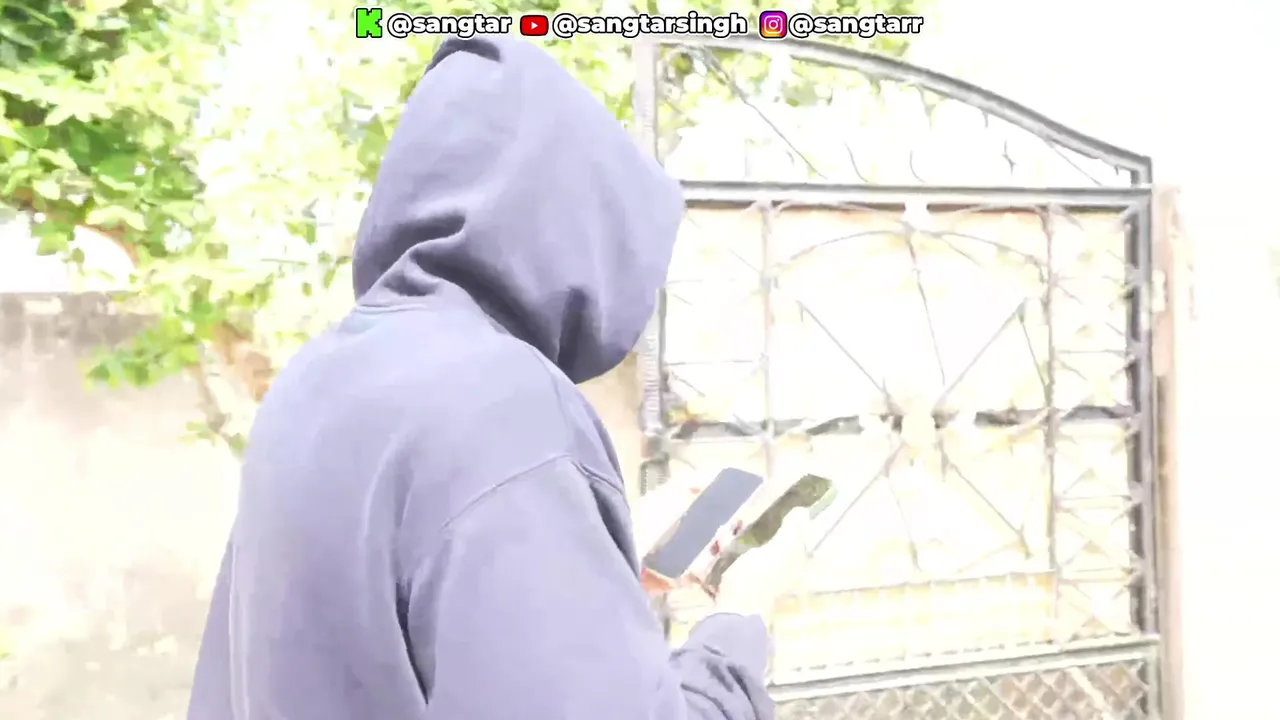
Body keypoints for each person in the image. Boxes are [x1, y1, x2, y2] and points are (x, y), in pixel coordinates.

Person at [187, 35, 810, 720]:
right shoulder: (506, 407)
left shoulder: (318, 378)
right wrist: (736, 633)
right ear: (582, 224)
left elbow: (377, 636)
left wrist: (596, 569)